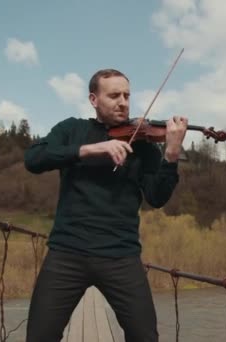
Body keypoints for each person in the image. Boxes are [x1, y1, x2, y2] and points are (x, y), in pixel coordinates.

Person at [23, 68, 187, 341]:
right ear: (93, 99)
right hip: (67, 253)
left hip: (121, 255)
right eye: (114, 95)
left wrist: (171, 154)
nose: (123, 101)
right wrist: (90, 149)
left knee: (145, 337)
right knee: (39, 337)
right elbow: (34, 159)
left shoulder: (143, 144)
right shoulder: (72, 129)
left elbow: (157, 198)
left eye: (126, 95)